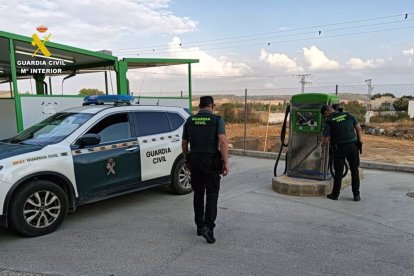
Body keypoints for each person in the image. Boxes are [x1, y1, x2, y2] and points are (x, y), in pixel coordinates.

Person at [182, 96, 229, 244]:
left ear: (200, 106)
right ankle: (208, 227)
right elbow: (222, 142)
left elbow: (184, 143)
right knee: (212, 194)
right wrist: (226, 162)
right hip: (211, 162)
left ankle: (199, 226)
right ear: (211, 105)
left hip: (195, 161)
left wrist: (186, 159)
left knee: (198, 194)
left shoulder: (190, 121)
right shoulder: (217, 120)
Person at [321, 104, 363, 201]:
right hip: (353, 146)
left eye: (324, 114)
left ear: (326, 112)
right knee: (354, 171)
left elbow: (326, 139)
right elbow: (358, 128)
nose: (325, 116)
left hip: (340, 148)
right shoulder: (347, 115)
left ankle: (335, 195)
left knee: (338, 172)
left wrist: (322, 146)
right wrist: (359, 141)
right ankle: (356, 195)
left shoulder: (328, 121)